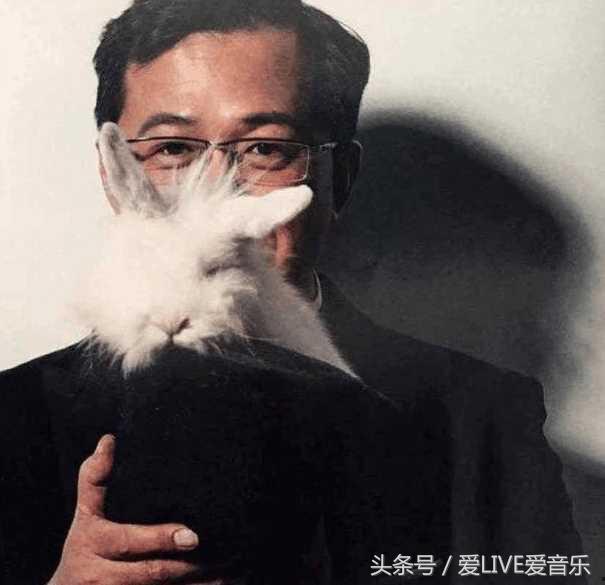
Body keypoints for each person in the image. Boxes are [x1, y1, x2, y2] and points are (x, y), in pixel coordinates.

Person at [0, 1, 584, 584]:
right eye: (173, 149)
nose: (219, 191)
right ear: (114, 176)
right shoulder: (15, 418)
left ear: (341, 179)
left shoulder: (485, 420)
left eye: (265, 149)